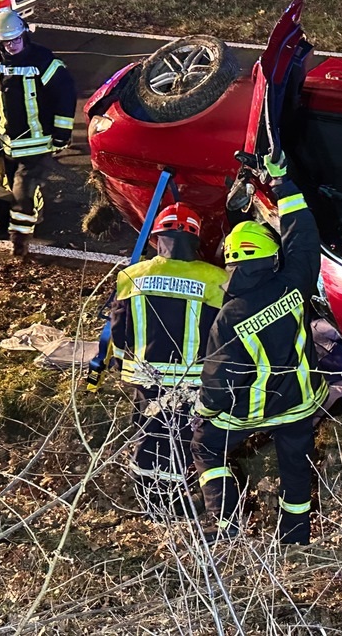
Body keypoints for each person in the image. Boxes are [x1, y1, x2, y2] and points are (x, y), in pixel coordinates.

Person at [192, 153, 327, 545]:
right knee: (296, 465)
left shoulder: (230, 316)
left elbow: (217, 380)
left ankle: (227, 526)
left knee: (206, 446)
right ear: (271, 257)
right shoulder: (293, 282)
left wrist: (206, 411)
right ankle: (295, 534)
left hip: (248, 409)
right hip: (300, 400)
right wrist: (283, 184)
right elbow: (303, 238)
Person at [109, 202, 227, 517]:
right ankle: (168, 506)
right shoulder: (215, 279)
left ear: (157, 238)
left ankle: (147, 499)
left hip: (145, 376)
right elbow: (223, 333)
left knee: (147, 433)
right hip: (190, 380)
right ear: (196, 241)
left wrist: (120, 366)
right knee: (179, 440)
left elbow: (119, 328)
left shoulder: (132, 276)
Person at [0, 9, 76, 257]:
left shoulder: (42, 60)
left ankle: (20, 245)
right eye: (6, 41)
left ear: (25, 34)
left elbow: (65, 95)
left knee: (21, 193)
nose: (12, 46)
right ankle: (35, 213)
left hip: (38, 142)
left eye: (16, 40)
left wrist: (61, 133)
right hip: (8, 142)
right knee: (13, 185)